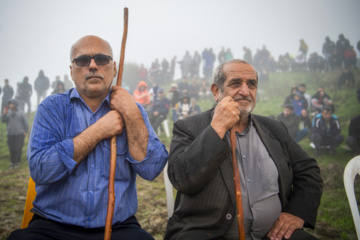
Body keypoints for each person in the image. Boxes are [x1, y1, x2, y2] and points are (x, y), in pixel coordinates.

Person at [7, 35, 168, 240]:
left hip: (117, 227)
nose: (93, 66)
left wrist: (131, 113)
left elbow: (152, 169)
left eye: (101, 59)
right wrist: (99, 130)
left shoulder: (131, 109)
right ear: (72, 71)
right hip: (52, 226)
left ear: (114, 68)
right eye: (82, 60)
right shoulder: (52, 108)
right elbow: (41, 170)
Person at [164, 59, 323, 240]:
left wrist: (298, 213)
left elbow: (309, 171)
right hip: (209, 234)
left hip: (274, 234)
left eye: (251, 84)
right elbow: (182, 179)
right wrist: (217, 128)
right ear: (216, 91)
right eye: (235, 83)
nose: (245, 91)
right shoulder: (189, 127)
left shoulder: (275, 128)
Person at [1, 99, 28, 169]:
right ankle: (12, 163)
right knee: (11, 149)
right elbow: (3, 121)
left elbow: (25, 122)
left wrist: (25, 131)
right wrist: (4, 114)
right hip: (10, 134)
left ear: (15, 104)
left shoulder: (21, 113)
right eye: (9, 104)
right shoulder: (8, 112)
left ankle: (17, 162)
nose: (10, 105)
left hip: (19, 134)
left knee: (18, 148)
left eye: (12, 104)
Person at [345, 88, 360, 154]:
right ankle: (358, 153)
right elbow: (351, 133)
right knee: (350, 140)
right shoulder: (355, 120)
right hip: (358, 141)